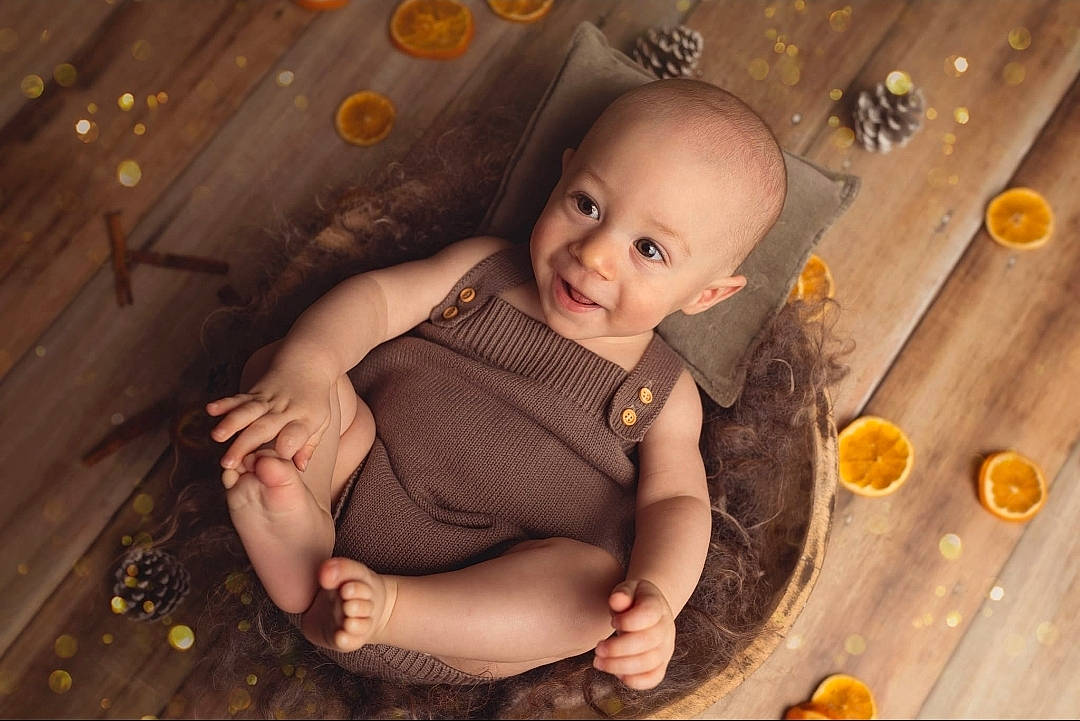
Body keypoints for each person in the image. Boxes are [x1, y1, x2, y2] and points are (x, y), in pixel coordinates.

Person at [205, 78, 787, 690]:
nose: (594, 255)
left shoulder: (663, 392)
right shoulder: (480, 270)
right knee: (283, 374)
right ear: (561, 178)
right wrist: (308, 367)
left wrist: (657, 598)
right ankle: (298, 545)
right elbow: (376, 302)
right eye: (587, 205)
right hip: (352, 481)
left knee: (592, 596)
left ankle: (388, 608)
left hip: (478, 607)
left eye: (648, 248)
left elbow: (676, 504)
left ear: (707, 294)